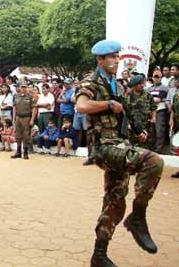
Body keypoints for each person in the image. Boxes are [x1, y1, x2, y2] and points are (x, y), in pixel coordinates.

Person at [76, 40, 164, 267]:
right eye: (111, 57)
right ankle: (137, 217)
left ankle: (99, 255)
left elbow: (122, 113)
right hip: (105, 147)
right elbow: (82, 106)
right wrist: (107, 104)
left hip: (120, 143)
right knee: (153, 161)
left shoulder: (116, 83)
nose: (116, 60)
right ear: (100, 60)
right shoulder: (92, 81)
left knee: (115, 203)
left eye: (117, 56)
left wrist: (137, 131)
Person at [124, 74, 157, 150]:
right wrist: (128, 123)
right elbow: (125, 111)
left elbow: (153, 108)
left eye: (143, 83)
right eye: (140, 84)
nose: (142, 85)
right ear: (135, 85)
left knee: (147, 147)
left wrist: (153, 118)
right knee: (133, 148)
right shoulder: (128, 97)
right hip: (133, 127)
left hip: (146, 125)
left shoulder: (148, 95)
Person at [12, 80, 37, 159]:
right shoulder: (16, 96)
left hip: (27, 117)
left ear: (26, 87)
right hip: (18, 117)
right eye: (22, 87)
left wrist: (32, 119)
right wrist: (14, 118)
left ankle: (25, 152)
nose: (23, 88)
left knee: (26, 135)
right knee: (18, 135)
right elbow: (14, 107)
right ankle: (18, 152)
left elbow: (34, 108)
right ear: (19, 87)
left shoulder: (30, 96)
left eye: (24, 87)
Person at [147, 70, 169, 153]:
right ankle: (152, 148)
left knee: (159, 130)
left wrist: (151, 99)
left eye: (158, 77)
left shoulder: (164, 88)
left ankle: (158, 149)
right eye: (155, 77)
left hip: (160, 111)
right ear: (152, 77)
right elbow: (147, 99)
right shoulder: (149, 88)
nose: (156, 79)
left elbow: (158, 99)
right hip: (151, 111)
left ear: (161, 78)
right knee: (151, 131)